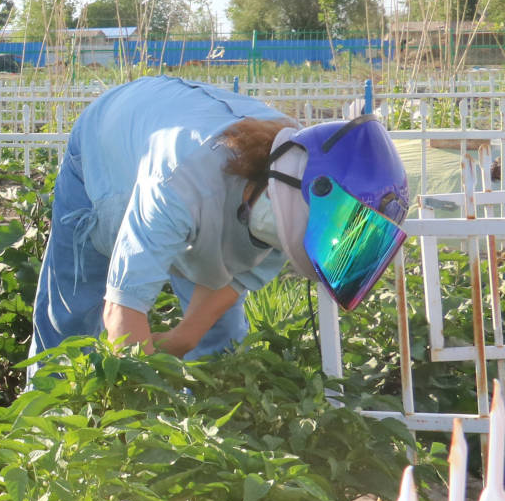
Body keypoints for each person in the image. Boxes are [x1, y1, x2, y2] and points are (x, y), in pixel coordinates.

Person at [31, 75, 410, 360]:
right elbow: (122, 313)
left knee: (219, 342)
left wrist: (173, 345)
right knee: (71, 321)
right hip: (109, 136)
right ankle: (36, 440)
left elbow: (190, 333)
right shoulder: (181, 182)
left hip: (197, 169)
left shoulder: (294, 202)